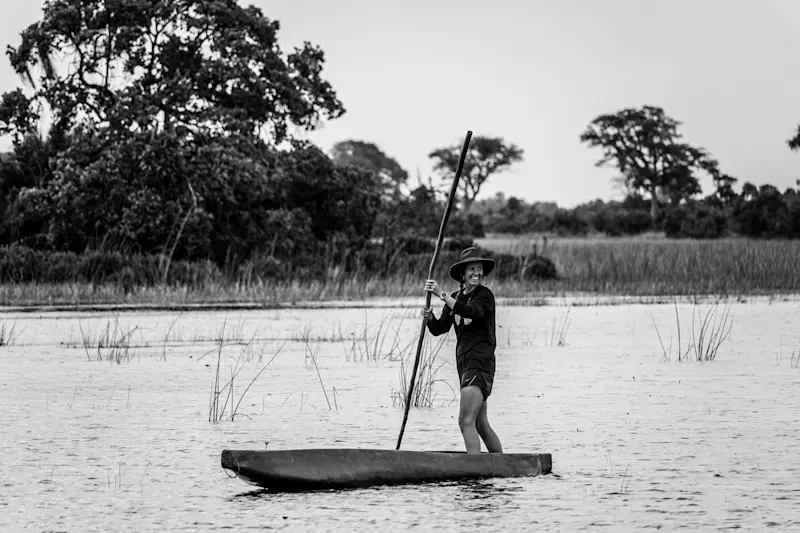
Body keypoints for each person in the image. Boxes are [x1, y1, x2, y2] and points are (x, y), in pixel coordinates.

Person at [421, 247, 503, 454]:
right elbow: (440, 328)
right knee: (480, 424)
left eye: (479, 269)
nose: (476, 273)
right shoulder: (456, 298)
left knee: (465, 421)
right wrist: (429, 317)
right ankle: (501, 465)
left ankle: (475, 472)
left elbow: (471, 311)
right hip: (464, 365)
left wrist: (441, 294)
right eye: (472, 269)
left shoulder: (485, 296)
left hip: (480, 363)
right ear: (462, 274)